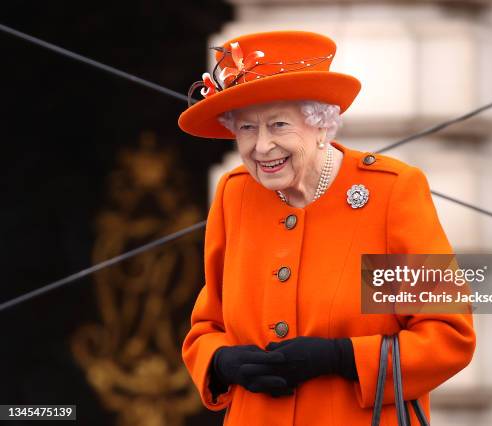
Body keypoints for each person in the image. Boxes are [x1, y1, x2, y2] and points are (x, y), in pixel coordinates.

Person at [179, 30, 476, 426]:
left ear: (321, 125)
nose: (262, 146)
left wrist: (342, 357)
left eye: (279, 125)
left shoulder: (387, 194)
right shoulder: (236, 195)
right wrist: (220, 361)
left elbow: (446, 336)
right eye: (247, 128)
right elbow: (207, 326)